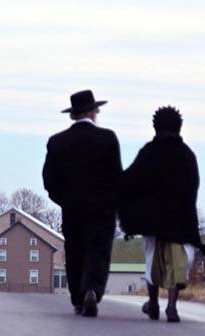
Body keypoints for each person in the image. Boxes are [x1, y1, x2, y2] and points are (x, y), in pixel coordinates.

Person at [42, 90, 122, 317]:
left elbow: (49, 180)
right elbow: (116, 176)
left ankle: (78, 296)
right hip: (102, 208)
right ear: (93, 112)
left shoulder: (57, 142)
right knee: (98, 251)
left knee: (75, 251)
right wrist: (116, 203)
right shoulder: (108, 138)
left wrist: (64, 200)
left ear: (73, 115)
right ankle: (93, 290)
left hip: (73, 207)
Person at [118, 106, 202, 323]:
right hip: (180, 222)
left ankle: (153, 302)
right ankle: (172, 306)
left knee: (152, 262)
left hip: (152, 221)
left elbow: (130, 182)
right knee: (178, 264)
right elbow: (193, 187)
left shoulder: (148, 152)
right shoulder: (187, 155)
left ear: (155, 126)